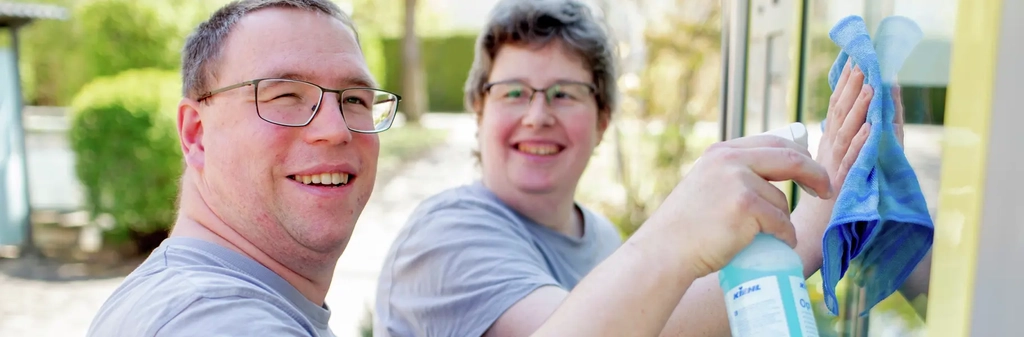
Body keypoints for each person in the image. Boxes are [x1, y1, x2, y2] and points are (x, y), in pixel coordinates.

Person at [373, 0, 930, 336]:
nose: (538, 116)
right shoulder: (444, 238)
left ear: (603, 121)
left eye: (565, 94)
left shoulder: (600, 237)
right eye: (513, 92)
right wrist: (814, 226)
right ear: (478, 110)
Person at [86, 1, 401, 336]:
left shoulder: (189, 304)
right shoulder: (217, 322)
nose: (336, 130)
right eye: (285, 95)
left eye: (355, 100)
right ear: (197, 134)